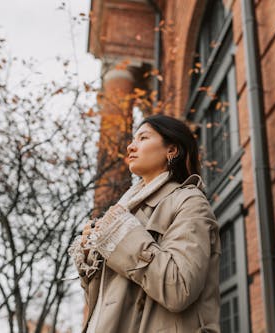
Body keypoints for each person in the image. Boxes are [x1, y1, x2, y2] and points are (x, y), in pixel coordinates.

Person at [69, 114, 221, 332]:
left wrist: (121, 237)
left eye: (143, 138)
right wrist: (89, 262)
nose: (131, 146)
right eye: (133, 139)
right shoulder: (123, 212)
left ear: (172, 150)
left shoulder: (189, 201)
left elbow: (179, 288)